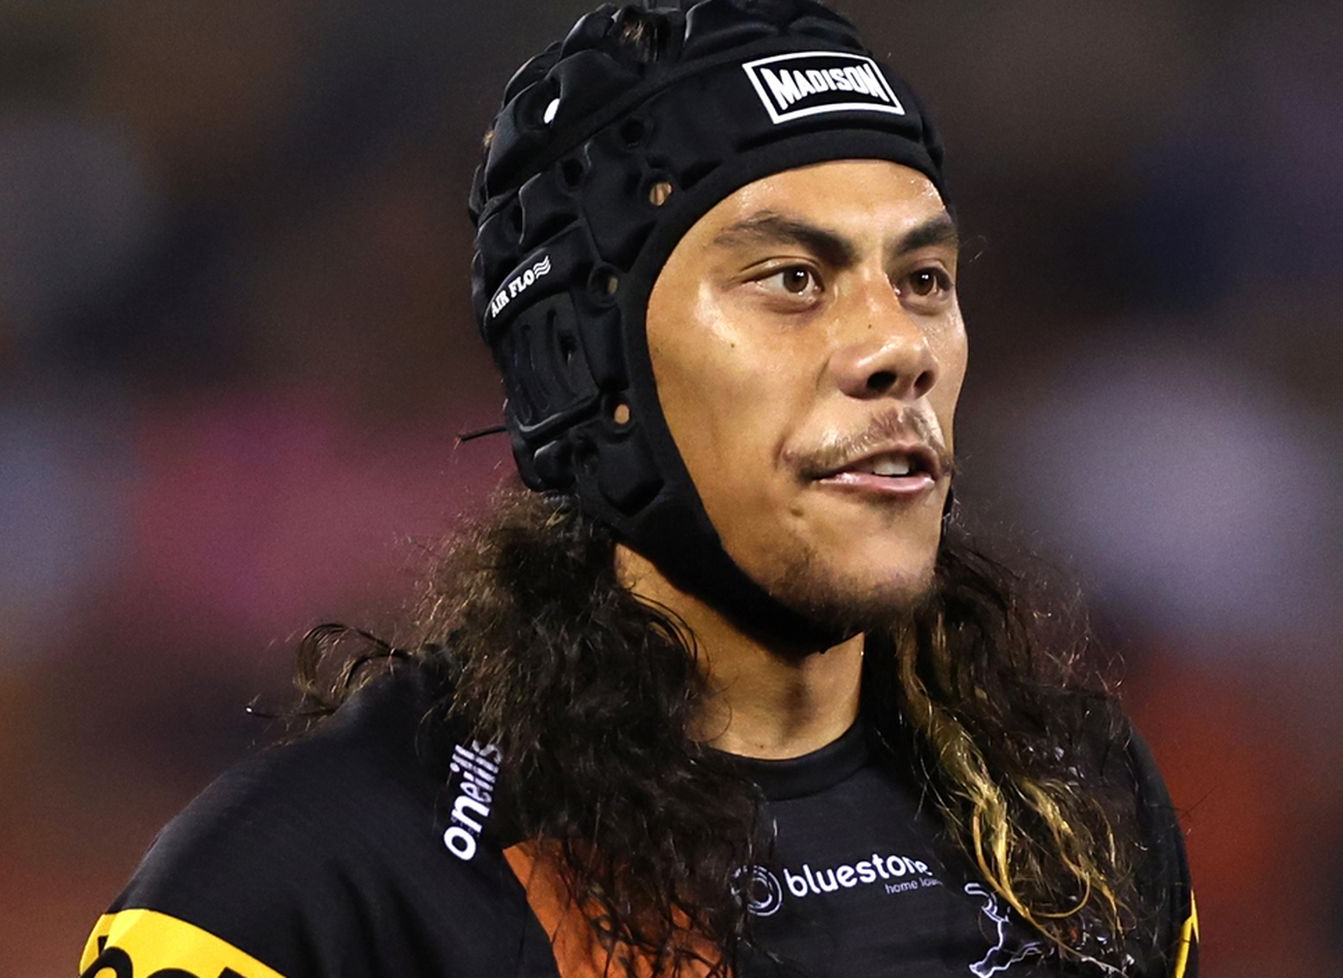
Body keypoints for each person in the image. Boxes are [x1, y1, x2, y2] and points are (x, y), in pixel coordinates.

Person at [79, 2, 1199, 976]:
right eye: (792, 281)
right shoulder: (320, 890)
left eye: (921, 278)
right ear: (590, 366)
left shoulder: (1069, 808)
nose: (895, 347)